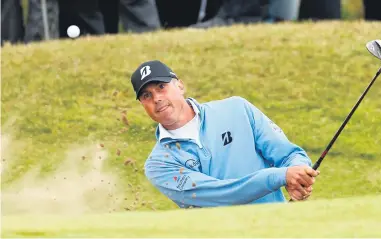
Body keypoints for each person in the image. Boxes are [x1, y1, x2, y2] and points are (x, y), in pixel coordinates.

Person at [130, 60, 320, 208]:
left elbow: (289, 155)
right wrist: (281, 176)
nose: (157, 98)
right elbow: (223, 195)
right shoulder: (159, 164)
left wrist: (299, 174)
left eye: (161, 87)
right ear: (142, 104)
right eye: (146, 95)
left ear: (180, 85)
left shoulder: (237, 109)